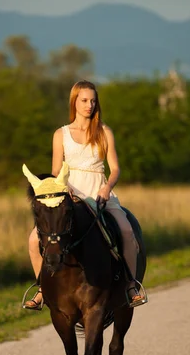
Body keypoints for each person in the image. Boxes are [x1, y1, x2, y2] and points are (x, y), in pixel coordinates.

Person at [24, 79, 146, 310]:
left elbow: (115, 168)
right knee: (33, 240)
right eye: (84, 100)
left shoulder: (104, 131)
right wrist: (63, 187)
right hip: (70, 194)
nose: (89, 105)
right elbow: (55, 171)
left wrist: (107, 187)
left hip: (99, 191)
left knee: (127, 230)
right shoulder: (60, 134)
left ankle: (131, 285)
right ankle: (42, 288)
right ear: (74, 102)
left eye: (93, 100)